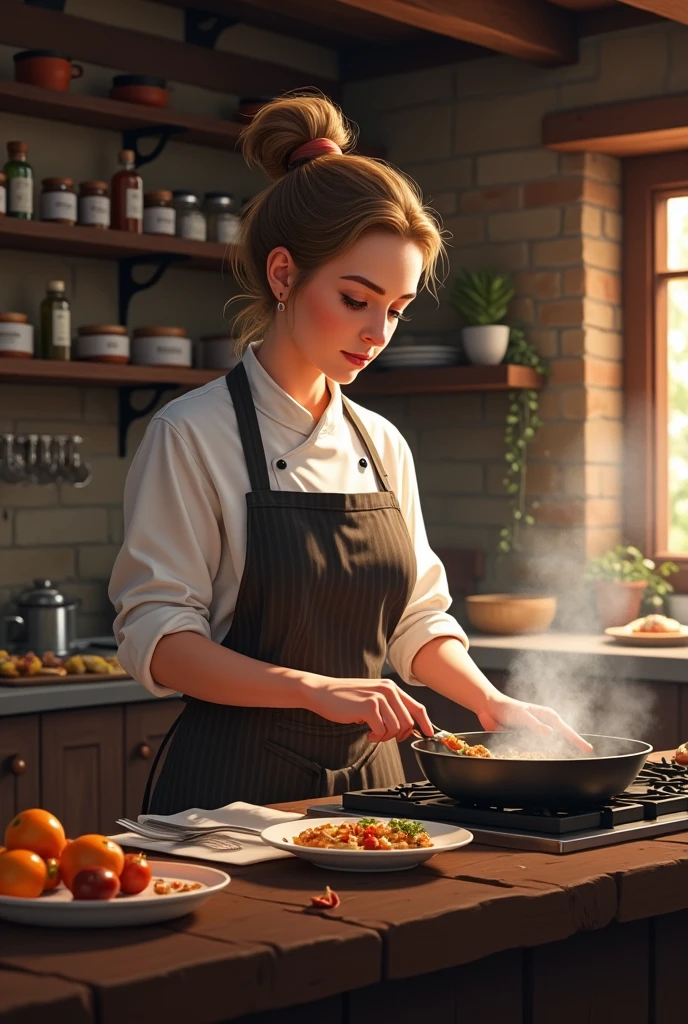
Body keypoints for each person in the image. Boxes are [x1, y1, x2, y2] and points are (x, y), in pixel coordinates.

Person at [109, 94, 591, 815]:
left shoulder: (382, 443)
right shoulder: (190, 435)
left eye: (395, 309)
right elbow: (157, 637)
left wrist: (492, 704)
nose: (377, 332)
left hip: (376, 794)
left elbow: (415, 621)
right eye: (356, 298)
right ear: (282, 276)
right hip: (232, 798)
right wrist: (314, 688)